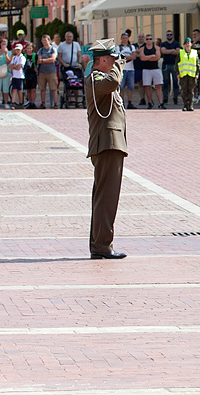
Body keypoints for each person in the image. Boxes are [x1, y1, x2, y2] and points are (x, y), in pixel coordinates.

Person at [84, 39, 128, 259]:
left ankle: (100, 244)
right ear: (102, 60)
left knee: (105, 197)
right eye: (111, 59)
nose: (114, 62)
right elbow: (113, 83)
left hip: (111, 144)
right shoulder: (96, 79)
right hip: (106, 144)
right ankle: (102, 245)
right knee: (106, 198)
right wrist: (120, 65)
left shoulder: (101, 79)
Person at [57, 31, 83, 104]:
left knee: (76, 82)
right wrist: (64, 64)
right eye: (67, 37)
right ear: (65, 37)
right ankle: (69, 99)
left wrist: (79, 63)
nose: (69, 38)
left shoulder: (76, 44)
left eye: (70, 37)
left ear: (72, 37)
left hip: (75, 66)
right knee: (68, 83)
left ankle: (77, 100)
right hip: (67, 66)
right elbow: (59, 57)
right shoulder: (62, 45)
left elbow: (79, 55)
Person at [139, 34, 164, 108]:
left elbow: (157, 57)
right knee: (147, 86)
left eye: (150, 39)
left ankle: (160, 103)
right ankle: (150, 102)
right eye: (147, 39)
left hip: (155, 69)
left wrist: (147, 57)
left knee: (158, 86)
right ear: (145, 40)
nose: (148, 40)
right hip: (146, 69)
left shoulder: (156, 48)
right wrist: (151, 56)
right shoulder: (142, 49)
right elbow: (142, 58)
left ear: (152, 40)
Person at [36, 34, 58, 108]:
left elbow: (53, 60)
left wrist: (43, 60)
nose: (44, 42)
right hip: (42, 72)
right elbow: (39, 60)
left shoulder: (53, 49)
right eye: (43, 40)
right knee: (42, 88)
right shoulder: (41, 50)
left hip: (51, 72)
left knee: (53, 88)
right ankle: (43, 103)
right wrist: (46, 60)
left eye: (45, 40)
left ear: (49, 40)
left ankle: (55, 103)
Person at [117, 32, 137, 110]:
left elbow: (134, 57)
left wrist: (125, 57)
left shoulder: (132, 47)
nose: (125, 39)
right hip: (122, 69)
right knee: (121, 87)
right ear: (121, 39)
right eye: (123, 38)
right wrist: (129, 57)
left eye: (126, 38)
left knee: (130, 87)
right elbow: (119, 57)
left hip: (131, 69)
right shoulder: (118, 47)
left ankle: (129, 102)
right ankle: (121, 103)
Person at [160, 30, 180, 106]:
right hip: (166, 65)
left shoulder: (176, 43)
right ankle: (165, 98)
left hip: (174, 65)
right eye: (168, 34)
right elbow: (163, 52)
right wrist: (172, 50)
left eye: (170, 34)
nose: (169, 35)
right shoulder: (163, 43)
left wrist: (168, 51)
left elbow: (178, 52)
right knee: (165, 82)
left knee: (175, 82)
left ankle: (175, 98)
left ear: (172, 35)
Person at [178, 37, 199, 111]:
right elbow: (177, 64)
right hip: (183, 74)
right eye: (186, 43)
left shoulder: (194, 52)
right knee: (184, 90)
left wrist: (197, 74)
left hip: (192, 75)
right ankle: (185, 105)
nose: (187, 44)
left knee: (191, 90)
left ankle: (190, 105)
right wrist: (178, 73)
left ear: (191, 44)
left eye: (189, 43)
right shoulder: (181, 52)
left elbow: (197, 64)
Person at [22, 42, 38, 107]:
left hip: (33, 73)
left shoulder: (35, 55)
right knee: (28, 89)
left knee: (33, 89)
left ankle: (33, 102)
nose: (29, 50)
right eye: (28, 48)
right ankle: (29, 102)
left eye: (30, 48)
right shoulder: (24, 56)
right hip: (26, 73)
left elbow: (37, 63)